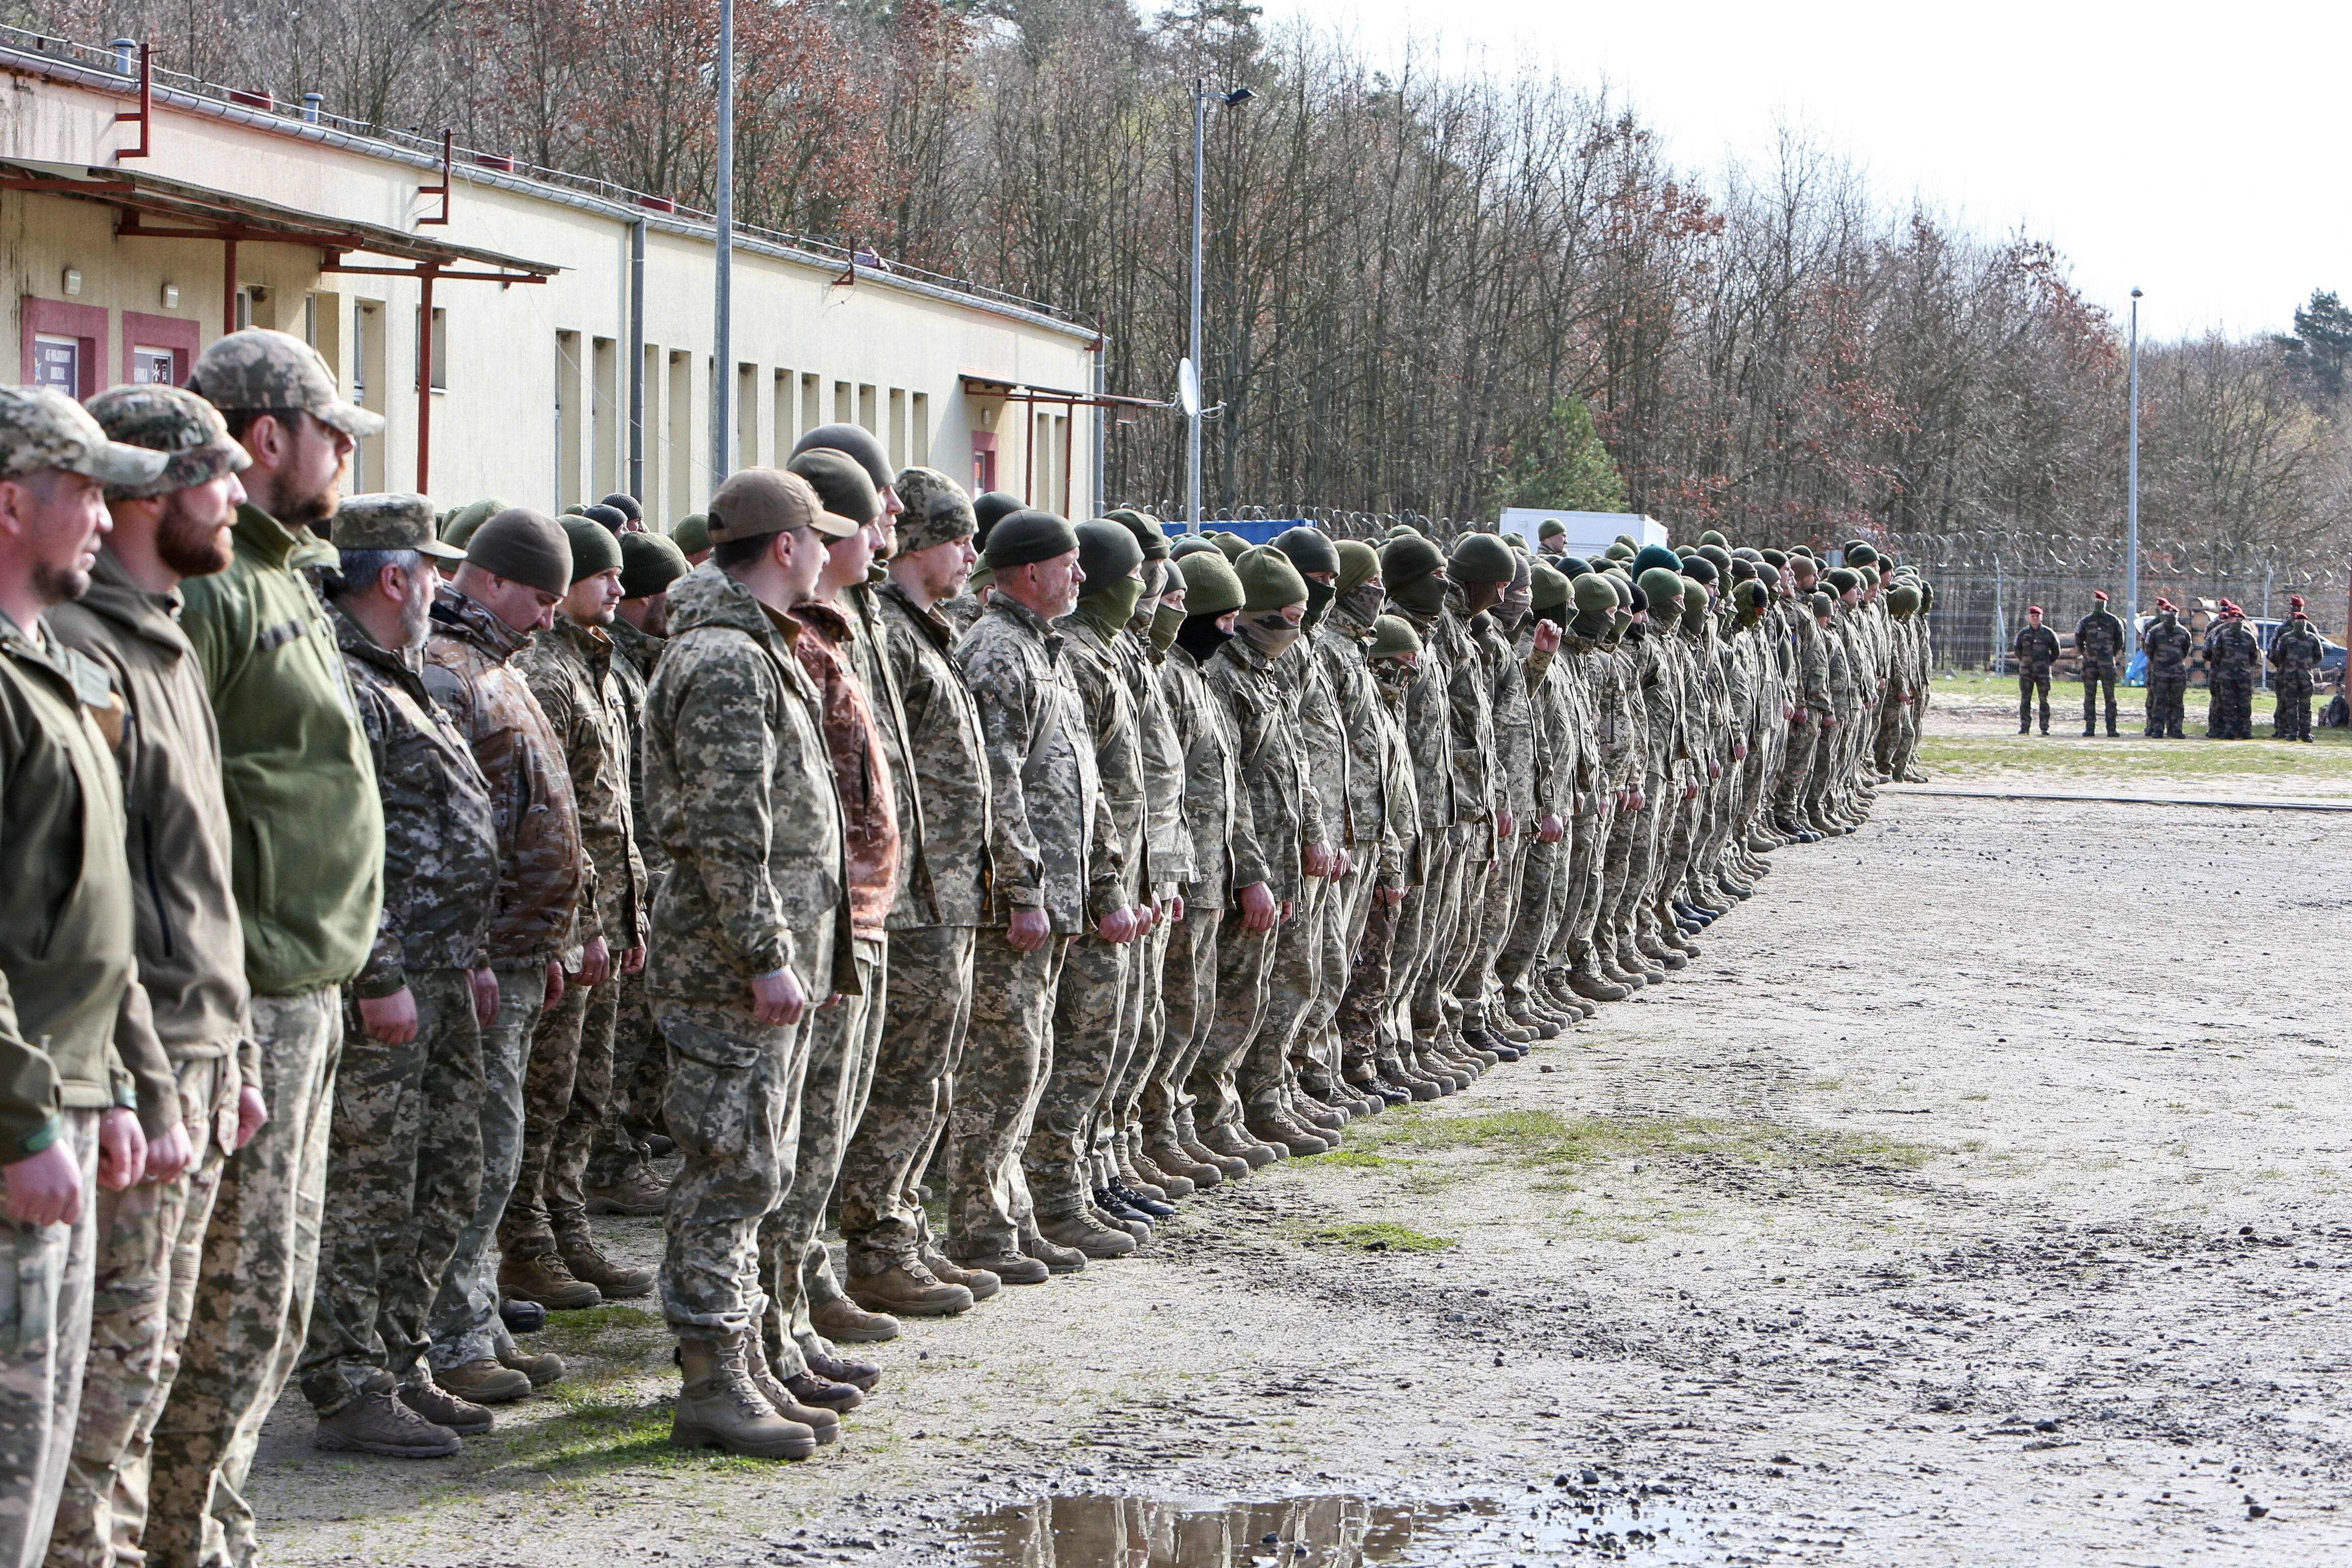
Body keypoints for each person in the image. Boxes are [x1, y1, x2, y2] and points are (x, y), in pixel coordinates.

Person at [156, 330, 386, 1568]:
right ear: (266, 438)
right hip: (246, 989)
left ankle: (219, 1521)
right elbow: (170, 803)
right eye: (333, 434)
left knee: (276, 1292)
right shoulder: (211, 587)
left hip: (309, 981)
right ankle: (184, 1535)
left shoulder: (286, 571)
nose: (346, 456)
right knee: (228, 1297)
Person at [640, 465, 854, 1459]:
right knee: (730, 1167)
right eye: (821, 537)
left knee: (757, 1163)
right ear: (786, 546)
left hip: (755, 955)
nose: (830, 554)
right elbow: (730, 831)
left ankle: (747, 1357)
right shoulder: (727, 659)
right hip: (728, 964)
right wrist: (767, 953)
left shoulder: (753, 646)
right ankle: (712, 1377)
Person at [297, 494, 505, 1457]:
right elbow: (339, 840)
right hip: (390, 978)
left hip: (442, 969)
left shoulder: (402, 677)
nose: (440, 586)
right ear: (393, 577)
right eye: (431, 570)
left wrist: (473, 954)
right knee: (370, 1183)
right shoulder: (347, 682)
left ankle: (400, 1355)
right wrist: (379, 970)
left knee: (444, 1171)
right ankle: (348, 1381)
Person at [0, 387, 168, 1568]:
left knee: (41, 1461)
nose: (108, 519)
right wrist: (21, 1116)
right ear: (14, 504)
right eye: (89, 493)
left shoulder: (41, 665)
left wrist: (104, 1084)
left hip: (56, 1101)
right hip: (16, 1121)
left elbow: (65, 903)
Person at [755, 448, 932, 1401]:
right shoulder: (776, 643)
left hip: (860, 910)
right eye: (872, 513)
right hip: (810, 922)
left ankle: (797, 1297)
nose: (888, 521)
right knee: (785, 1139)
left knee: (824, 1128)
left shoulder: (843, 627)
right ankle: (767, 1323)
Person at [419, 509, 584, 1403]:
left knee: (499, 1146)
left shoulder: (497, 666)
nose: (550, 617)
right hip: (476, 960)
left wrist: (546, 939)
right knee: (471, 1156)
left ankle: (476, 1319)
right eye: (539, 597)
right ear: (487, 580)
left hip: (519, 954)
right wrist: (481, 945)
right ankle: (450, 1336)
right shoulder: (449, 673)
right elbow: (450, 830)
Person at [837, 470, 1016, 1294]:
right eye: (960, 540)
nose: (973, 556)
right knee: (902, 1078)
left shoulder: (925, 634)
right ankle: (878, 1248)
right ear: (919, 544)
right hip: (908, 897)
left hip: (946, 891)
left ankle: (904, 1226)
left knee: (932, 1075)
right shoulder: (887, 636)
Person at [945, 510, 1116, 1277]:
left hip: (1056, 895)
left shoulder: (1044, 649)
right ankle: (980, 1229)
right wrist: (1021, 888)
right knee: (1000, 1067)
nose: (1081, 576)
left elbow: (1083, 777)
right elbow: (997, 782)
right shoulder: (996, 651)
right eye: (1069, 562)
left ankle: (1012, 1216)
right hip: (1017, 904)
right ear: (1029, 571)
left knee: (1031, 1060)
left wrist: (1101, 877)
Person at [503, 520, 652, 1308]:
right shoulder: (548, 671)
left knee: (588, 1087)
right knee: (546, 1088)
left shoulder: (600, 667)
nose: (619, 590)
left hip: (609, 910)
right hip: (569, 918)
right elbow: (554, 813)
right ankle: (525, 1242)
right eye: (604, 576)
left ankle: (566, 1225)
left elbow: (614, 809)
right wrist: (585, 923)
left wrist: (628, 913)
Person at [2268, 597, 2325, 742]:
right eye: (2294, 607)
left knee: (2305, 705)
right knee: (2284, 703)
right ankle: (2283, 729)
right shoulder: (2283, 630)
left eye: (2299, 607)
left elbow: (2318, 654)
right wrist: (2284, 665)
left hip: (2304, 674)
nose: (2296, 610)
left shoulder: (2310, 630)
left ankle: (2304, 732)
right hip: (2286, 672)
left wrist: (2307, 664)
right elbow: (2274, 652)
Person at [2204, 601, 2261, 740]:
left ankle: (2245, 730)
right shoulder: (2220, 634)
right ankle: (2225, 729)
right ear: (2229, 619)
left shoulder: (2248, 635)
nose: (2238, 622)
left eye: (2240, 620)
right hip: (2226, 675)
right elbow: (2213, 654)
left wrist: (2246, 667)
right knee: (2225, 703)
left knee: (2245, 703)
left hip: (2243, 675)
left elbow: (2254, 655)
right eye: (2235, 619)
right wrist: (2222, 668)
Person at [2075, 591, 2126, 737]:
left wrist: (2110, 654)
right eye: (2097, 602)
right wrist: (2086, 654)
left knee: (2110, 697)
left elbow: (2119, 641)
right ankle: (2090, 727)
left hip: (2107, 664)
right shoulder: (2085, 621)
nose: (2099, 605)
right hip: (2090, 664)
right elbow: (2079, 641)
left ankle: (2111, 728)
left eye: (2102, 602)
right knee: (2089, 697)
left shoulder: (2114, 621)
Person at [2142, 599, 2193, 739]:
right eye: (2168, 616)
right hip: (2160, 672)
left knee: (2177, 702)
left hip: (2177, 673)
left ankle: (2176, 729)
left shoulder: (2183, 632)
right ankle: (2158, 729)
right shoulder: (2154, 631)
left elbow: (2185, 650)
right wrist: (2159, 662)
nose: (2171, 618)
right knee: (2159, 701)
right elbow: (2149, 649)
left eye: (2173, 616)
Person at [2012, 606, 2059, 735]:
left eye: (2038, 616)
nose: (2035, 618)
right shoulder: (2023, 634)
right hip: (2026, 672)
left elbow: (2056, 652)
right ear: (2028, 617)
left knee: (2044, 700)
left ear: (2042, 617)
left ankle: (2044, 727)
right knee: (2025, 699)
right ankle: (2025, 727)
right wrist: (2026, 662)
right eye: (2033, 616)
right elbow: (2017, 650)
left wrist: (2046, 663)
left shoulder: (2049, 634)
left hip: (2043, 672)